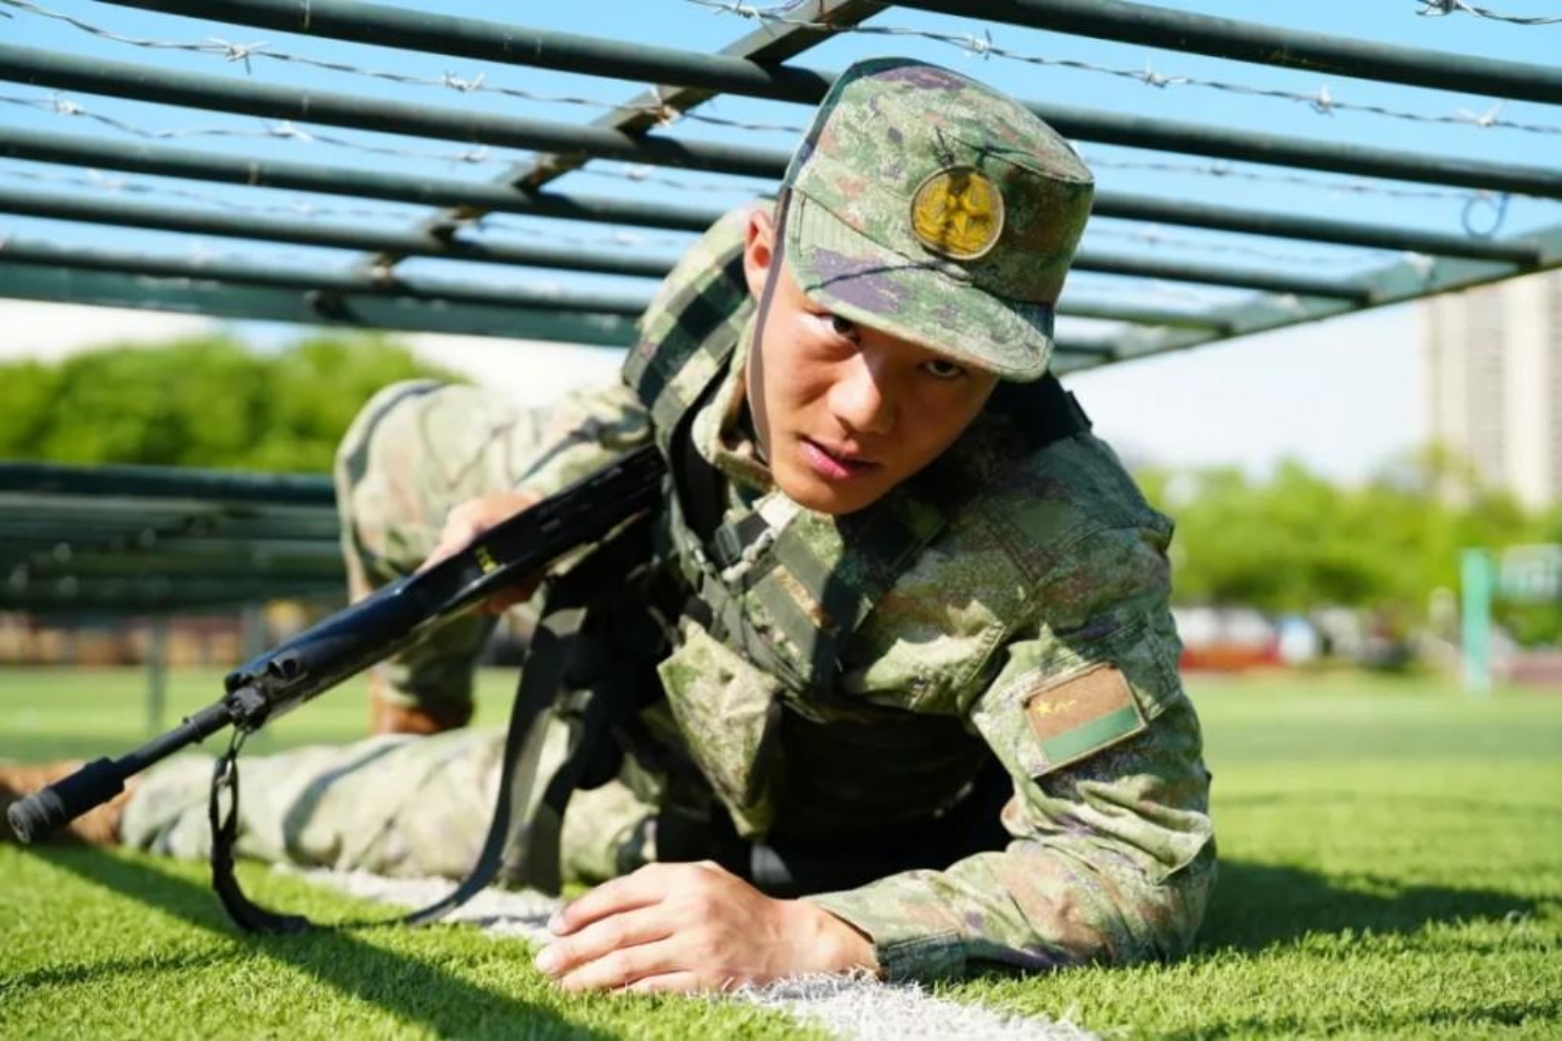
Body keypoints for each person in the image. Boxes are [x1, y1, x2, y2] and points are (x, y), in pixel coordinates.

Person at [2, 57, 1214, 992]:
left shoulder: (1060, 543)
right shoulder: (717, 289)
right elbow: (643, 402)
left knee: (330, 808)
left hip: (729, 813)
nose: (864, 409)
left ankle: (158, 796)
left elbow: (1133, 861)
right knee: (398, 437)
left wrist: (811, 934)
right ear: (762, 257)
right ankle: (415, 714)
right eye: (839, 325)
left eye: (942, 368)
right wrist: (535, 497)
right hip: (657, 667)